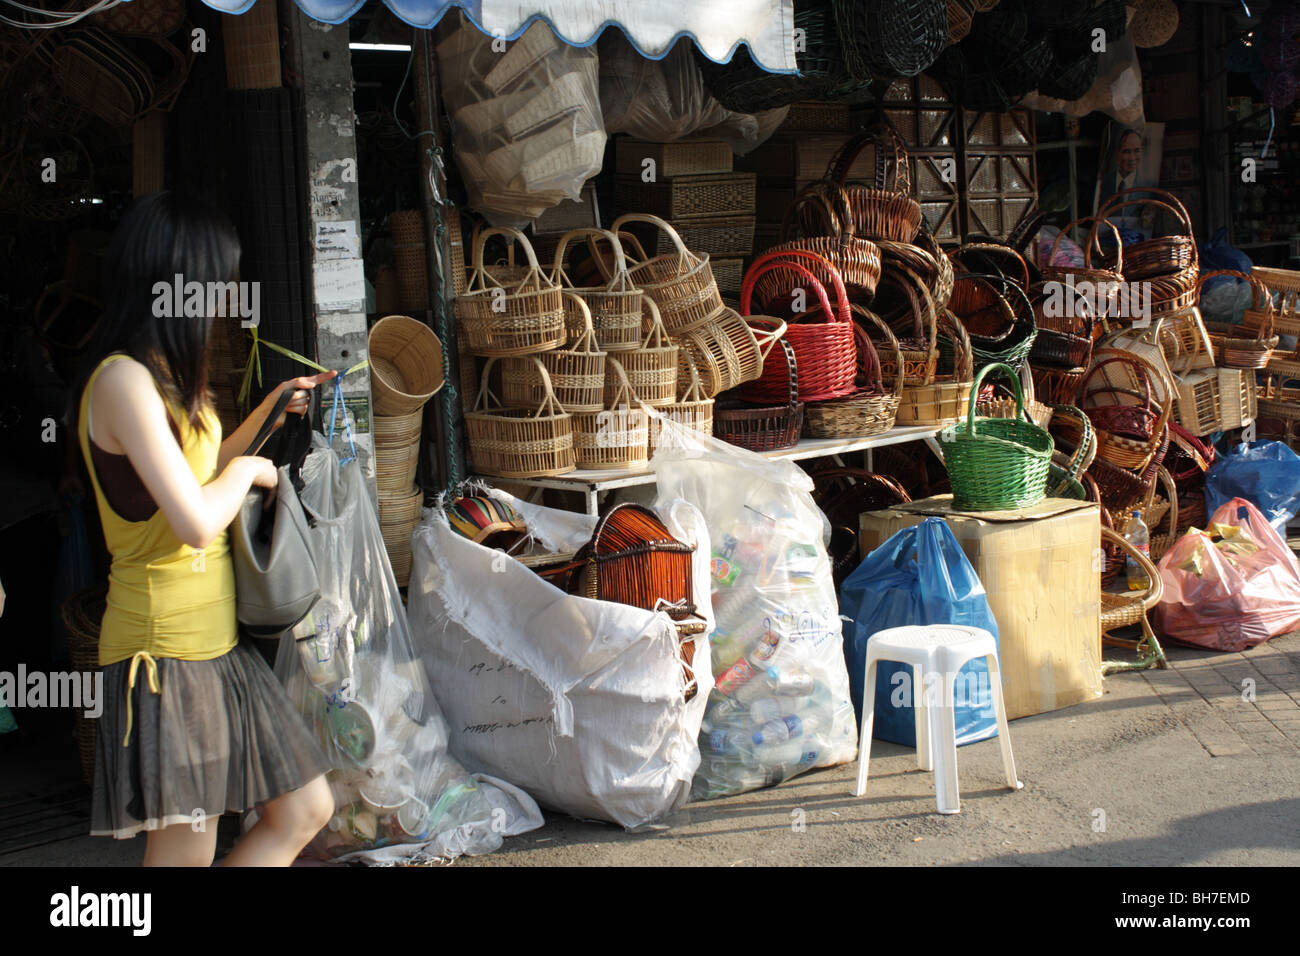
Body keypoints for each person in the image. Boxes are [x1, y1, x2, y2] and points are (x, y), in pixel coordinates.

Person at [72, 191, 336, 866]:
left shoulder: (164, 377)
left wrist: (274, 410)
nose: (223, 299)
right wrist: (250, 470)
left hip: (215, 645)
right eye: (216, 282)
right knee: (186, 854)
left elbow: (195, 476)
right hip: (164, 657)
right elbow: (193, 519)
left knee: (306, 809)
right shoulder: (122, 383)